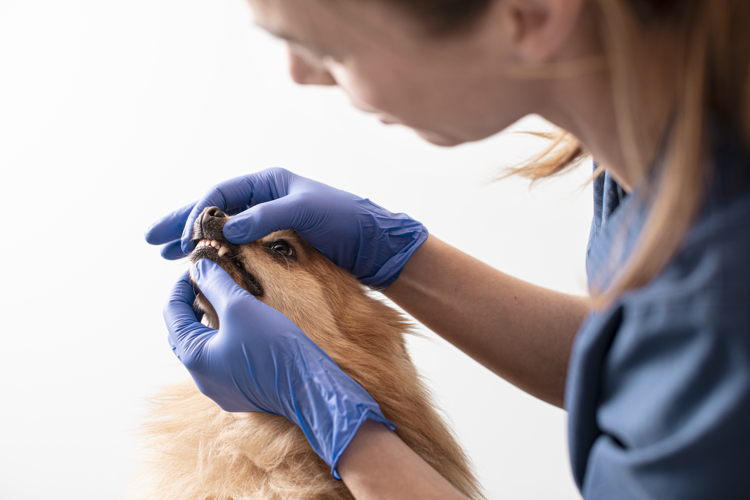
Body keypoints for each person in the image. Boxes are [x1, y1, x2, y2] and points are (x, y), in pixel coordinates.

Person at [145, 0, 750, 498]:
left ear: (531, 15)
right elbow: (653, 370)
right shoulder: (670, 154)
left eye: (330, 49)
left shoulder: (726, 292)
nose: (301, 74)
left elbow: (701, 356)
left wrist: (335, 422)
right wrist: (400, 255)